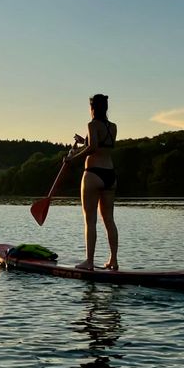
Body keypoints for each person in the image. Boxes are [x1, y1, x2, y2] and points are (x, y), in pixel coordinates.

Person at [67, 94, 119, 271]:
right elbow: (101, 146)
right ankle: (113, 260)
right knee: (109, 219)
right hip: (110, 175)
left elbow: (93, 148)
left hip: (93, 174)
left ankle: (89, 262)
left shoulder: (92, 124)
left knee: (90, 221)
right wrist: (85, 141)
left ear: (93, 108)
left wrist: (72, 158)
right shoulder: (112, 127)